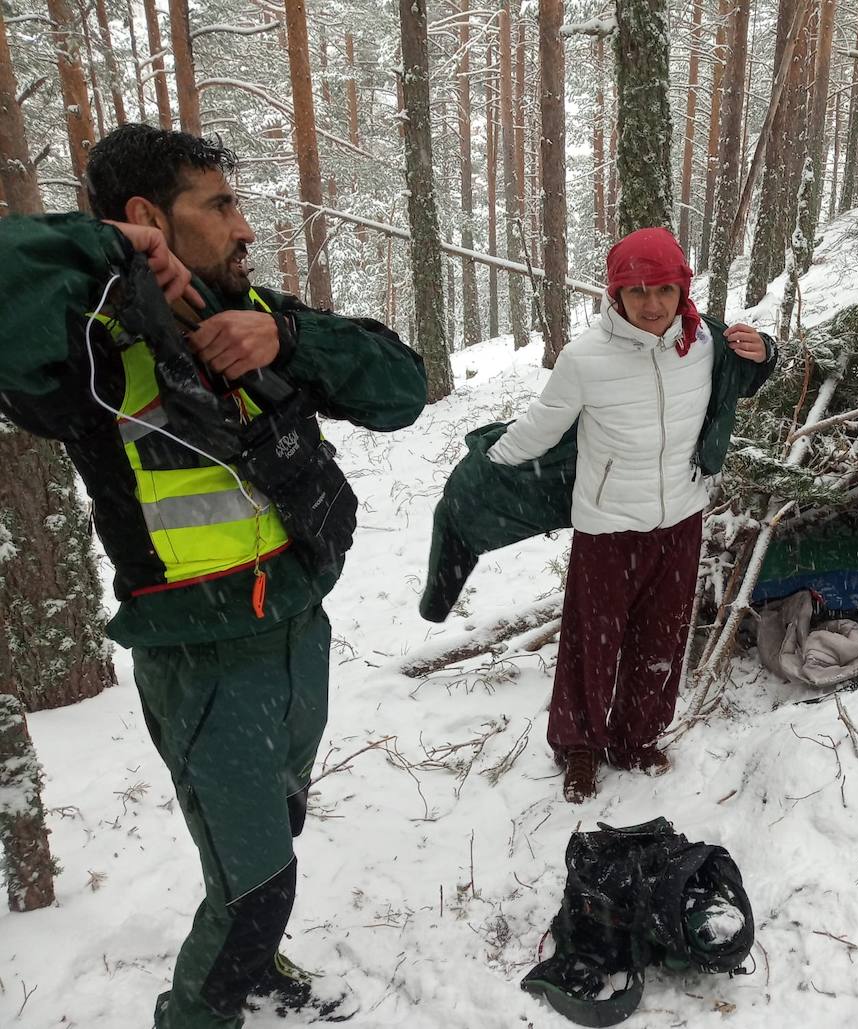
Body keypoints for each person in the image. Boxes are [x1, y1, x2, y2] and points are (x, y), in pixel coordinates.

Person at [0, 124, 427, 1028]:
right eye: (220, 205)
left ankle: (257, 970)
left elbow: (402, 387)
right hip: (203, 659)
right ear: (150, 217)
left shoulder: (255, 312)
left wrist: (288, 340)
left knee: (273, 830)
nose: (244, 229)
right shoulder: (84, 341)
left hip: (296, 633)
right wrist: (102, 248)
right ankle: (198, 1012)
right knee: (254, 888)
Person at [482, 227, 775, 803]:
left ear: (682, 290)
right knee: (593, 644)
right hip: (608, 527)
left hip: (681, 517)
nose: (651, 303)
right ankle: (581, 748)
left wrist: (766, 351)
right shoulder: (585, 358)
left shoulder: (707, 342)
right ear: (615, 294)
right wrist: (490, 464)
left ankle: (637, 739)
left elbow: (749, 375)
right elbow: (542, 425)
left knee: (661, 639)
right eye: (637, 290)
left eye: (664, 289)